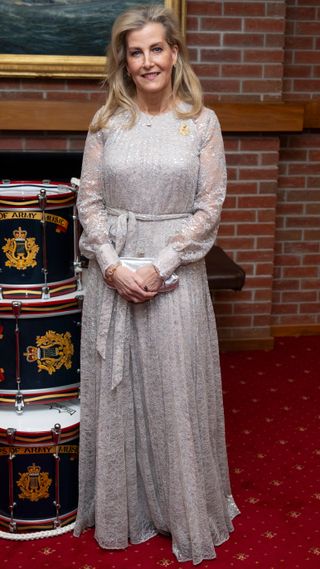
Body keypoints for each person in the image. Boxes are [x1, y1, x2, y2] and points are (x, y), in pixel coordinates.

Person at [73, 3, 240, 564]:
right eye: (136, 51)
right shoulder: (106, 122)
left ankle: (181, 507)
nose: (147, 61)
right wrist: (114, 265)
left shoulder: (202, 121)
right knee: (119, 395)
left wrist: (160, 263)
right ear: (124, 59)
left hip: (175, 275)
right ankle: (125, 510)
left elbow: (208, 208)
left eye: (156, 49)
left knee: (175, 393)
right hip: (113, 271)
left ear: (174, 54)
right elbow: (89, 203)